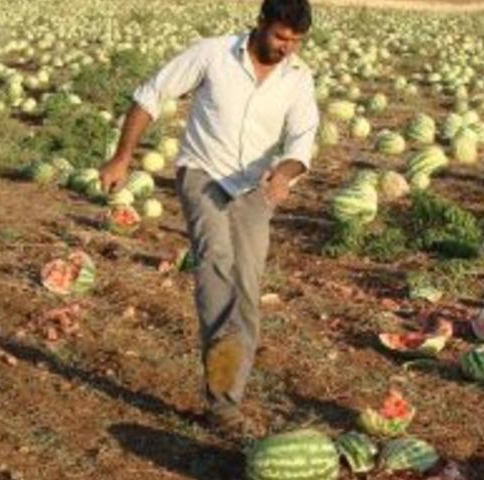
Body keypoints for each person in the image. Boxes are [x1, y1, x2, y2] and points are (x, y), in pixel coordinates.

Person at [98, 0, 318, 439]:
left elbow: (302, 137)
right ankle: (223, 407)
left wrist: (285, 173)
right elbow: (149, 94)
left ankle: (230, 385)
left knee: (248, 288)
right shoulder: (213, 53)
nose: (285, 48)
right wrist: (123, 157)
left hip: (256, 186)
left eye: (294, 41)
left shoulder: (298, 78)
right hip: (203, 173)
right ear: (260, 24)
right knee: (217, 267)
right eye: (279, 37)